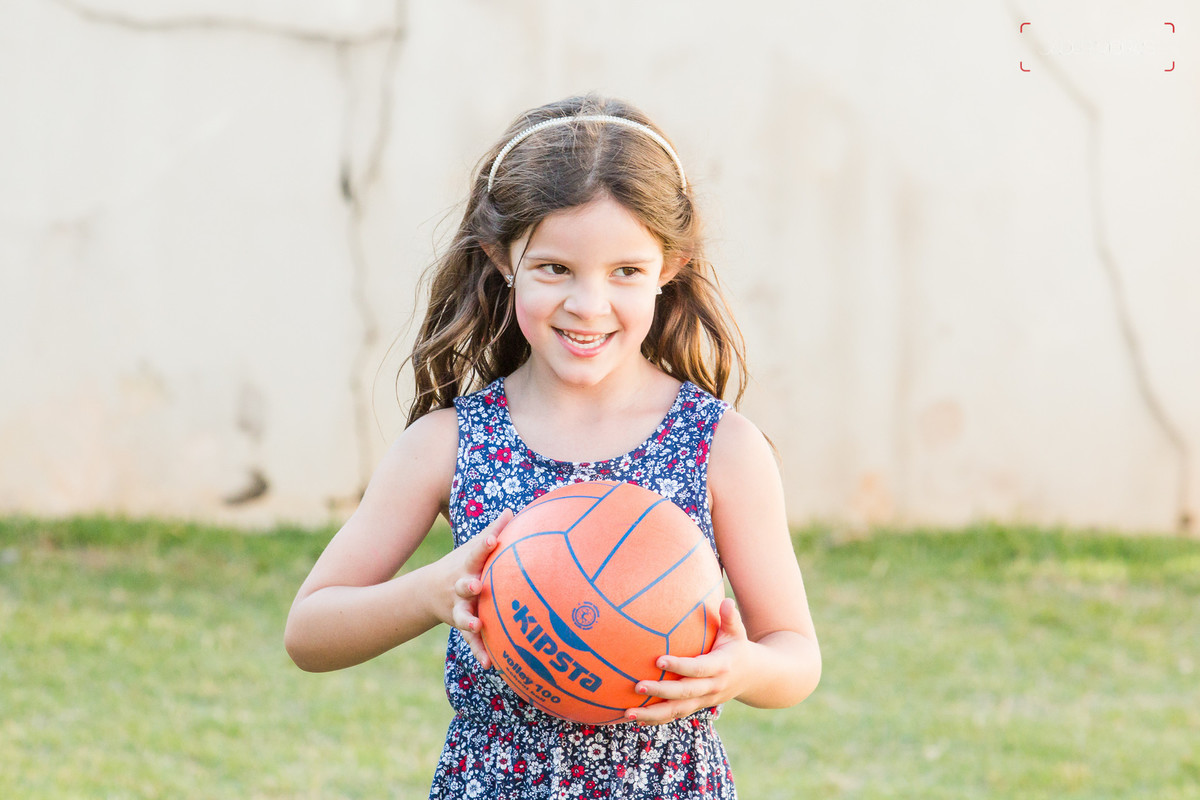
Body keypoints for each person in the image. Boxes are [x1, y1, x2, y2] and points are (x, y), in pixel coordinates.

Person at [285, 94, 821, 799]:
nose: (588, 304)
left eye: (626, 271)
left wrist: (742, 669)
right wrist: (430, 592)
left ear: (671, 265)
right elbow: (310, 630)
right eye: (555, 269)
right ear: (501, 257)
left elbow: (796, 654)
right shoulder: (450, 443)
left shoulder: (721, 446)